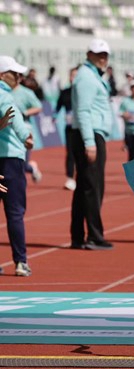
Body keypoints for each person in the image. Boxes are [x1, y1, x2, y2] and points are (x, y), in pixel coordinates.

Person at [70, 38, 114, 251]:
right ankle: (94, 236)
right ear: (88, 54)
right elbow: (84, 111)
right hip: (90, 135)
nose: (102, 58)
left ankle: (79, 236)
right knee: (92, 188)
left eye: (105, 54)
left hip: (91, 134)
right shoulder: (86, 77)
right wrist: (90, 142)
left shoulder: (91, 76)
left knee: (84, 188)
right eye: (98, 54)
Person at [0, 55, 35, 276]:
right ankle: (21, 262)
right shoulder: (6, 97)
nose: (19, 78)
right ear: (3, 75)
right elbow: (14, 119)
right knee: (14, 212)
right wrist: (26, 137)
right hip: (10, 161)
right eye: (15, 74)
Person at [12, 73, 43, 183]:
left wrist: (24, 112)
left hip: (24, 130)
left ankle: (31, 168)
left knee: (22, 164)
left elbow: (38, 107)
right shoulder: (3, 92)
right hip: (7, 132)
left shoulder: (26, 92)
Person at [55, 67, 79, 191]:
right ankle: (70, 178)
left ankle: (81, 177)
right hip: (70, 127)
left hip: (82, 128)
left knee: (81, 154)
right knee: (70, 153)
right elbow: (59, 105)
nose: (73, 78)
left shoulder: (84, 91)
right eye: (71, 75)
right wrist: (55, 116)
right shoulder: (65, 92)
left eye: (75, 75)